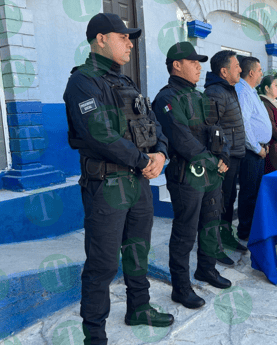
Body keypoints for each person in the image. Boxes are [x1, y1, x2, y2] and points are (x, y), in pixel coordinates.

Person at [63, 13, 173, 345]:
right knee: (103, 263)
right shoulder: (82, 82)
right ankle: (94, 335)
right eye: (123, 37)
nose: (129, 43)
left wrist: (162, 154)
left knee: (138, 250)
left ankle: (139, 308)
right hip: (107, 188)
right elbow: (100, 136)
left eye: (131, 38)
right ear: (100, 39)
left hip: (138, 183)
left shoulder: (126, 82)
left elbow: (154, 124)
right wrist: (144, 161)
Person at [153, 42, 232, 310]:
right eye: (193, 62)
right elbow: (181, 139)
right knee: (185, 231)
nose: (199, 67)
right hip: (187, 176)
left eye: (200, 62)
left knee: (211, 224)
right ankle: (181, 287)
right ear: (177, 65)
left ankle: (206, 269)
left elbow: (216, 130)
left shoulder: (200, 97)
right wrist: (213, 162)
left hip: (210, 173)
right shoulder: (166, 99)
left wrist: (223, 157)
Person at [204, 50, 247, 266]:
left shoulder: (228, 90)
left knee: (229, 201)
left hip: (235, 155)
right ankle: (213, 246)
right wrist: (222, 156)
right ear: (223, 71)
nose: (240, 69)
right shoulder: (215, 93)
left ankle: (226, 235)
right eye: (237, 65)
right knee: (218, 203)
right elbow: (212, 127)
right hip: (224, 159)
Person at [235, 57, 272, 241]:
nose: (261, 74)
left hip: (258, 150)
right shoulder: (242, 91)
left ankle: (251, 229)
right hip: (251, 151)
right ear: (251, 72)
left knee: (256, 191)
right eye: (259, 70)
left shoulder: (251, 91)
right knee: (249, 192)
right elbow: (244, 123)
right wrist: (257, 148)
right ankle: (245, 232)